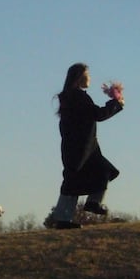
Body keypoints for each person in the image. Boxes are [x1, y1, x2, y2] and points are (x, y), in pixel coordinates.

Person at [45, 63, 124, 229]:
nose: (90, 79)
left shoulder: (70, 97)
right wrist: (116, 104)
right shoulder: (77, 97)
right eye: (88, 75)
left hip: (85, 148)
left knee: (102, 171)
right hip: (80, 148)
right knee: (72, 180)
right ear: (79, 77)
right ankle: (64, 220)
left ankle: (91, 204)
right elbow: (97, 114)